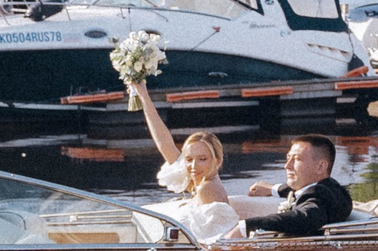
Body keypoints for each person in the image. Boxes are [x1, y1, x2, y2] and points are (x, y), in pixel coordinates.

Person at [124, 76, 244, 242]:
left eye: (202, 159)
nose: (193, 166)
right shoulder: (202, 183)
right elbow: (166, 145)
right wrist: (143, 95)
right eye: (189, 159)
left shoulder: (207, 190)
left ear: (218, 161)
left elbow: (219, 239)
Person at [242, 134, 353, 236]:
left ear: (320, 167)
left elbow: (307, 216)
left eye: (297, 159)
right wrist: (272, 189)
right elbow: (304, 191)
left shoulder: (322, 197)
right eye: (288, 158)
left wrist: (246, 226)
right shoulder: (330, 188)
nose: (287, 166)